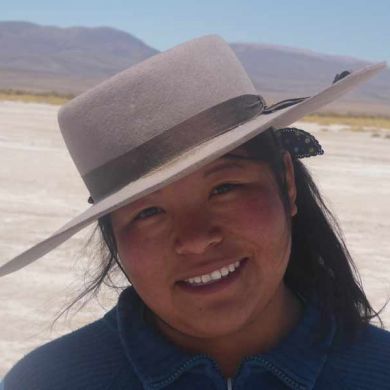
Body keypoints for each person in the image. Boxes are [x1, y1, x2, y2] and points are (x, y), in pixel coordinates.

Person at [1, 35, 389, 389]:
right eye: (148, 212)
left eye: (224, 188)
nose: (196, 239)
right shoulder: (47, 381)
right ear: (113, 235)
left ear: (286, 182)